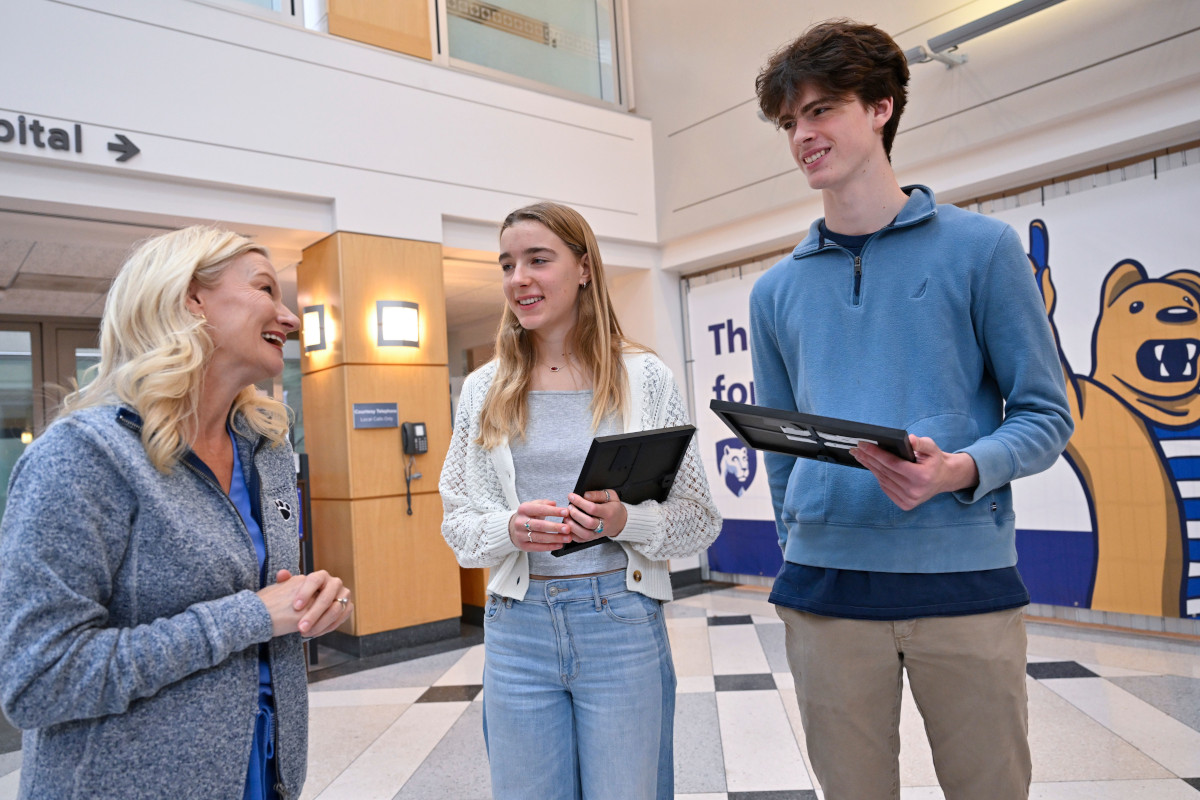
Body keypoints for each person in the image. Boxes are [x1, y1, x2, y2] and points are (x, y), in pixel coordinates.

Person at [749, 20, 1073, 800]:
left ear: (882, 107)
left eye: (822, 110)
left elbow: (1045, 414)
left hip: (963, 585)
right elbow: (781, 444)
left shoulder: (983, 251)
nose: (803, 134)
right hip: (824, 593)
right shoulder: (775, 292)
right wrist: (800, 534)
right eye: (790, 122)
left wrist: (962, 469)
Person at [0, 226, 353, 800]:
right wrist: (251, 617)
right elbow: (39, 680)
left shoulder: (268, 450)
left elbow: (273, 603)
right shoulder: (82, 457)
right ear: (191, 299)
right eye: (266, 289)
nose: (289, 320)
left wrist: (318, 603)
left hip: (263, 774)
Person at [439, 202, 721, 800]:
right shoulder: (485, 389)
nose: (519, 279)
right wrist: (510, 529)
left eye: (539, 260)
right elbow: (458, 522)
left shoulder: (644, 380)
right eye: (508, 264)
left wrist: (627, 520)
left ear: (584, 267)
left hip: (620, 620)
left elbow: (699, 521)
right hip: (518, 627)